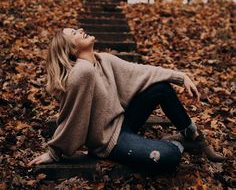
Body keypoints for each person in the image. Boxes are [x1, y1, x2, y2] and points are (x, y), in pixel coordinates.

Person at [28, 28, 225, 172]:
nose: (80, 30)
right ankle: (174, 144)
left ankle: (193, 137)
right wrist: (55, 152)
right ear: (70, 49)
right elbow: (72, 115)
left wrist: (180, 77)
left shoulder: (103, 60)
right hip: (108, 142)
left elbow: (141, 71)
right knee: (170, 157)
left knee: (161, 88)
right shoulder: (82, 72)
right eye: (73, 33)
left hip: (123, 122)